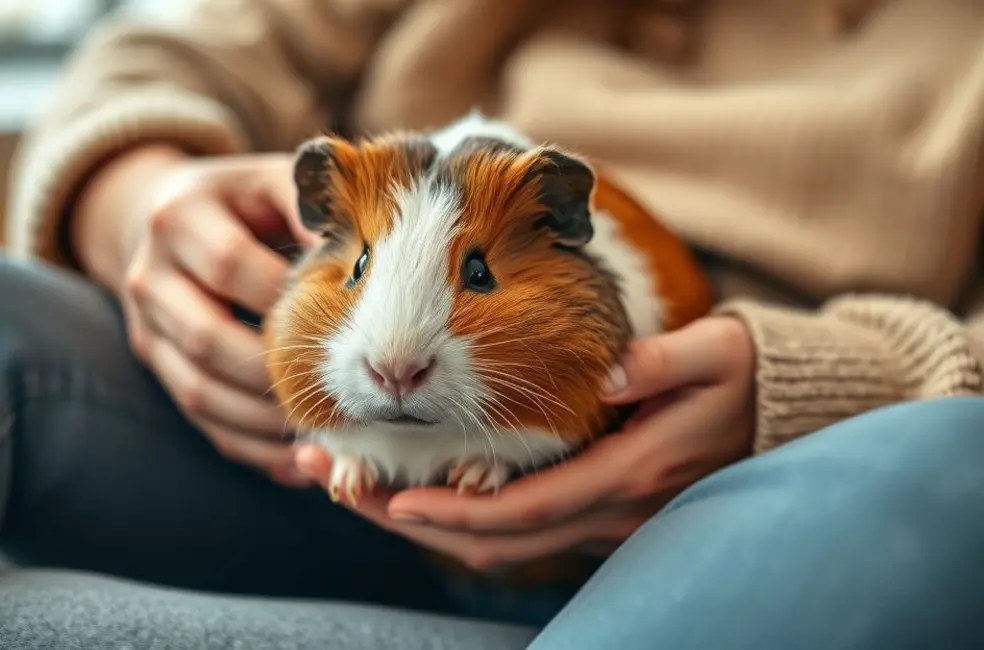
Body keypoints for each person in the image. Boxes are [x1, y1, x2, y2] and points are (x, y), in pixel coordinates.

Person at [3, 0, 984, 648]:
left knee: (956, 462)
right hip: (292, 498)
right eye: (361, 267)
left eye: (478, 275)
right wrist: (135, 192)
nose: (395, 358)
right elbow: (167, 53)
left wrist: (833, 389)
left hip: (749, 537)